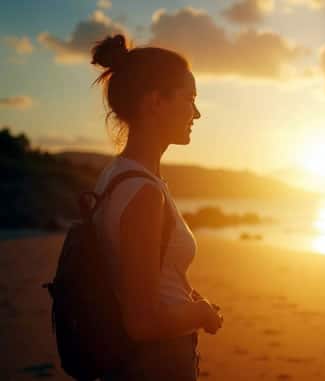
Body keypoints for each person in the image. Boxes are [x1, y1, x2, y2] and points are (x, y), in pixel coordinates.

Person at [89, 34, 223, 380]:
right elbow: (143, 321)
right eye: (189, 98)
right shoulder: (143, 193)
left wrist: (186, 296)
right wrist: (202, 313)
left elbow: (142, 276)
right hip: (155, 363)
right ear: (155, 102)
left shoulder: (118, 177)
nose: (196, 112)